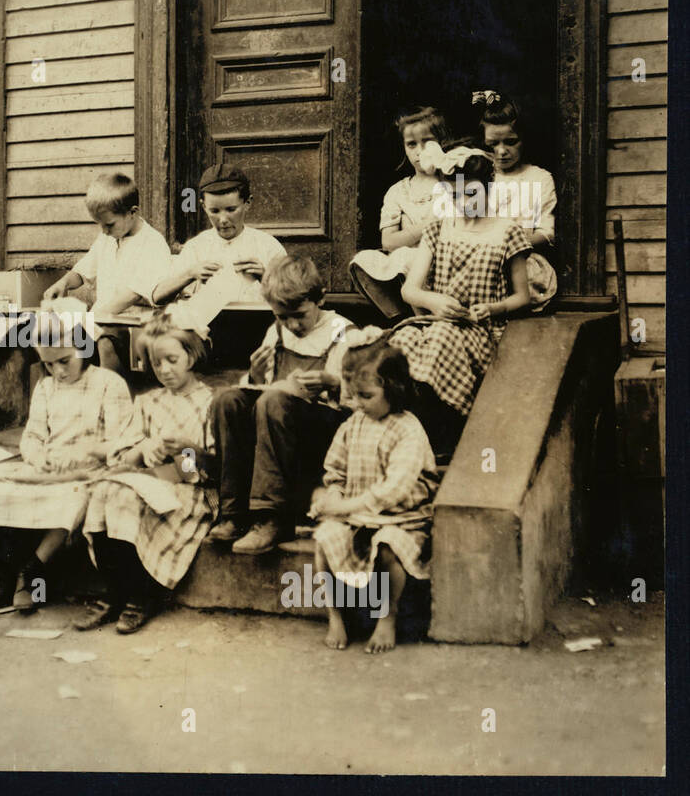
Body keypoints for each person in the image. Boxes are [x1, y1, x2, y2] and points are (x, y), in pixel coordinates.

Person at [0, 305, 133, 616]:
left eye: (65, 361)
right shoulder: (47, 387)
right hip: (43, 470)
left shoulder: (108, 384)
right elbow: (32, 437)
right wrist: (39, 456)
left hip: (85, 473)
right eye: (49, 365)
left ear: (84, 346)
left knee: (73, 501)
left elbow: (120, 442)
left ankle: (33, 573)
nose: (59, 372)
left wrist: (81, 455)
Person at [389, 138, 533, 456]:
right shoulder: (439, 228)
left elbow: (523, 297)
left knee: (439, 336)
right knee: (404, 341)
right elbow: (409, 290)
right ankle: (409, 433)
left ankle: (443, 431)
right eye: (454, 195)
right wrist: (434, 301)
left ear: (489, 188)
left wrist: (493, 307)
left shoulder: (508, 231)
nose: (463, 202)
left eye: (471, 194)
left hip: (482, 331)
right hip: (438, 320)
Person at [207, 255, 357, 553]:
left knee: (275, 400)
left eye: (299, 315)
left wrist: (333, 382)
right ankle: (234, 513)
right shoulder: (277, 332)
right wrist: (254, 374)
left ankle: (272, 517)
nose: (292, 324)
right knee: (228, 400)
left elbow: (357, 404)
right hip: (276, 436)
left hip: (321, 438)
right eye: (282, 316)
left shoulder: (343, 331)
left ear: (320, 299)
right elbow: (256, 389)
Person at [79, 310, 217, 634]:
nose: (164, 370)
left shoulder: (209, 404)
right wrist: (140, 452)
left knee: (127, 497)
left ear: (192, 356)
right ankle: (114, 589)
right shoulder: (148, 402)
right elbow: (127, 452)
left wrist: (182, 450)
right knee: (104, 491)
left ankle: (143, 594)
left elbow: (205, 470)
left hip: (188, 488)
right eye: (156, 364)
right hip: (152, 482)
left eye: (172, 360)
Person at [309, 337, 439, 653]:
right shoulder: (353, 424)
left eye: (367, 396)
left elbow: (393, 489)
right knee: (324, 539)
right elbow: (335, 470)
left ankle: (387, 616)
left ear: (393, 389)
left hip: (401, 516)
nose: (359, 404)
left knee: (388, 546)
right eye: (354, 396)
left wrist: (345, 506)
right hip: (356, 515)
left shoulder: (407, 430)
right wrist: (334, 495)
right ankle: (335, 615)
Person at [41, 172, 172, 374]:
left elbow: (132, 294)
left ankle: (112, 393)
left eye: (109, 224)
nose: (103, 231)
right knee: (50, 336)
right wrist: (63, 283)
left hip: (134, 327)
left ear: (132, 212)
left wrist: (91, 318)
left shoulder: (152, 243)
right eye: (99, 224)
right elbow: (84, 272)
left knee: (104, 339)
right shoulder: (108, 239)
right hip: (102, 320)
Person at [349, 106, 453, 320]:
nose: (419, 151)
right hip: (409, 268)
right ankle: (406, 317)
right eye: (411, 144)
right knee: (370, 259)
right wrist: (430, 224)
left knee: (409, 255)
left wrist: (410, 233)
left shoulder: (455, 183)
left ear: (442, 141)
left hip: (448, 261)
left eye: (427, 141)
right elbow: (388, 241)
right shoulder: (398, 191)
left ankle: (434, 317)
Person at [151, 163, 285, 307]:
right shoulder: (196, 247)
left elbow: (294, 299)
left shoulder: (267, 246)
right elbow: (157, 297)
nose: (223, 220)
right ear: (203, 207)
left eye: (231, 209)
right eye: (214, 211)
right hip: (205, 327)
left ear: (247, 203)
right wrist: (190, 274)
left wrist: (264, 277)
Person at [479, 92, 558, 311]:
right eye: (492, 144)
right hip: (480, 258)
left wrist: (509, 245)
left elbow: (546, 232)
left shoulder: (539, 177)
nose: (502, 151)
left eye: (511, 142)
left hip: (522, 260)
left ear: (524, 139)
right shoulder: (478, 177)